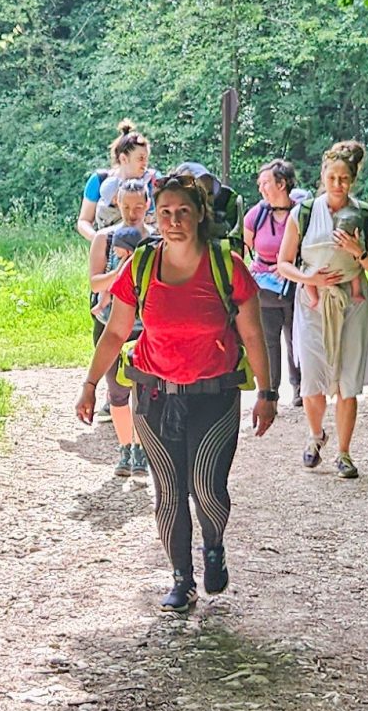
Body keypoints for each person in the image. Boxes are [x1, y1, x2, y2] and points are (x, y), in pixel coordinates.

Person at [75, 170, 275, 610]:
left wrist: (268, 392)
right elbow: (115, 333)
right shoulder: (142, 266)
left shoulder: (228, 267)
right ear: (154, 215)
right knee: (168, 492)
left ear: (201, 214)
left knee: (207, 486)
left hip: (215, 394)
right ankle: (181, 580)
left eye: (183, 211)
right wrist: (90, 385)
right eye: (164, 211)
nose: (173, 219)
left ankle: (214, 546)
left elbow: (255, 336)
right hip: (154, 393)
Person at [273, 140, 368, 479]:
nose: (338, 184)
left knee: (348, 381)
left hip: (352, 305)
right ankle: (316, 434)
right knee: (312, 379)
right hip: (311, 305)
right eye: (332, 178)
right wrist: (309, 277)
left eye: (344, 179)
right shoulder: (302, 213)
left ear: (352, 180)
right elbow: (282, 263)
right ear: (323, 177)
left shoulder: (366, 215)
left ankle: (345, 453)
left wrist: (358, 251)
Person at [87, 177, 154, 480]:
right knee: (116, 392)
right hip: (112, 323)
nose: (132, 212)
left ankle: (141, 449)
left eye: (138, 206)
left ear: (148, 205)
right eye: (127, 206)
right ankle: (125, 446)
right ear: (117, 204)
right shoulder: (105, 238)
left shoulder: (157, 240)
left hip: (147, 327)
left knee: (146, 393)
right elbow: (94, 282)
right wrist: (120, 274)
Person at [244, 159, 304, 407]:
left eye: (266, 183)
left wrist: (293, 268)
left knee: (296, 338)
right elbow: (247, 246)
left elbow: (311, 248)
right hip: (266, 289)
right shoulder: (256, 215)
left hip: (296, 286)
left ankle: (300, 388)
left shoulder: (303, 213)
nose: (261, 188)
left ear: (282, 184)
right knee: (269, 341)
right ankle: (270, 393)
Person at [75, 122, 151, 243]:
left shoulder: (151, 182)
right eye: (140, 158)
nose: (145, 164)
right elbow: (83, 221)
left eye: (147, 158)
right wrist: (100, 240)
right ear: (123, 159)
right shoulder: (99, 180)